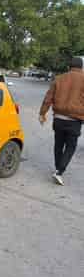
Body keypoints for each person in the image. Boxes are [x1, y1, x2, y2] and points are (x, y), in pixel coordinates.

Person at [39, 57, 84, 185]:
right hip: (74, 120)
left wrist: (42, 114)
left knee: (58, 144)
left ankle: (58, 168)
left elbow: (48, 97)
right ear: (81, 67)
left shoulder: (59, 78)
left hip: (58, 118)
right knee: (71, 146)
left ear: (68, 66)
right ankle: (59, 171)